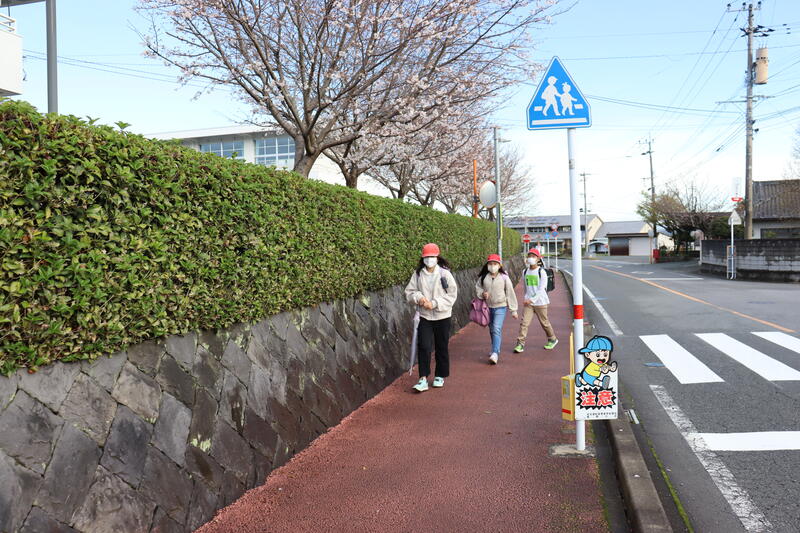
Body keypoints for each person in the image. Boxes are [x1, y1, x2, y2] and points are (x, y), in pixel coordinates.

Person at [404, 243, 458, 392]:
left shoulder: (445, 274)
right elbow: (409, 292)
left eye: (432, 257)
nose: (429, 259)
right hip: (424, 316)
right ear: (423, 258)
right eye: (427, 257)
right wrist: (419, 298)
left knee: (441, 346)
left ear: (437, 258)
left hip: (443, 315)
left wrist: (434, 303)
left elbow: (452, 295)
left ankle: (440, 375)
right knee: (424, 346)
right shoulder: (418, 274)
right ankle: (423, 378)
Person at [475, 254, 518, 365]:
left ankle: (495, 353)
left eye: (495, 264)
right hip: (487, 307)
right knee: (492, 329)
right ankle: (495, 348)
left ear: (499, 265)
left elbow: (510, 292)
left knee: (496, 328)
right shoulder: (484, 277)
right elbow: (478, 287)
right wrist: (482, 294)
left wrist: (513, 310)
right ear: (487, 265)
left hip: (500, 307)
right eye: (490, 264)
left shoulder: (504, 277)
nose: (492, 266)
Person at [514, 249, 558, 353]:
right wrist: (526, 298)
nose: (531, 258)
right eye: (529, 256)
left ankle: (552, 339)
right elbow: (526, 287)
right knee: (524, 323)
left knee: (544, 323)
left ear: (538, 259)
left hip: (541, 302)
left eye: (533, 256)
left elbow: (541, 289)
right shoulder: (525, 271)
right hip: (529, 303)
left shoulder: (541, 272)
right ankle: (520, 344)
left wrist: (531, 299)